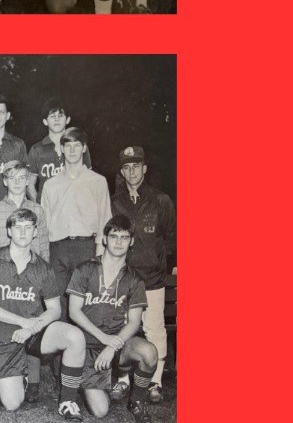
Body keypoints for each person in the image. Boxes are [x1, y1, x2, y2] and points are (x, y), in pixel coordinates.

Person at [0, 208, 87, 421]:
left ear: (35, 232)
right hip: (3, 335)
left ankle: (68, 400)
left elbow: (55, 309)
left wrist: (33, 327)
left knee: (75, 337)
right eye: (17, 227)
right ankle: (22, 373)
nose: (22, 232)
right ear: (9, 231)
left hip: (34, 332)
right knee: (12, 404)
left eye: (28, 227)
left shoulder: (43, 267)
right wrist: (22, 323)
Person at [67, 216, 157, 422]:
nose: (118, 242)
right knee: (100, 411)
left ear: (132, 241)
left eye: (124, 237)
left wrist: (112, 345)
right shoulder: (85, 269)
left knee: (149, 352)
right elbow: (73, 311)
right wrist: (103, 339)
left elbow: (134, 321)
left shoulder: (134, 278)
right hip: (88, 344)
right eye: (114, 236)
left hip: (117, 344)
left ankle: (136, 401)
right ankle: (92, 380)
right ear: (105, 239)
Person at [110, 147, 176, 403]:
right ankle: (123, 380)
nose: (132, 171)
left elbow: (172, 237)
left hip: (153, 279)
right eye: (127, 167)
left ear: (145, 168)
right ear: (122, 171)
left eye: (136, 165)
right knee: (125, 328)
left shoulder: (161, 200)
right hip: (124, 278)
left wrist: (160, 260)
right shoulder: (115, 200)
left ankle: (155, 382)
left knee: (155, 329)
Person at [40, 128, 112, 300]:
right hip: (57, 249)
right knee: (59, 302)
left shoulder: (98, 181)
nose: (72, 150)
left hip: (85, 248)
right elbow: (44, 224)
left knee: (85, 301)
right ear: (62, 149)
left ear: (84, 148)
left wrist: (100, 256)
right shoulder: (50, 185)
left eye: (77, 145)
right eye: (68, 145)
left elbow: (105, 221)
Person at [0, 161, 50, 262]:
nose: (17, 182)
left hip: (32, 270)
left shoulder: (38, 210)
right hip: (4, 270)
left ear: (27, 181)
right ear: (5, 181)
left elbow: (44, 249)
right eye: (12, 178)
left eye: (21, 178)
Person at [26, 97, 92, 199]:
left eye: (60, 116)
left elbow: (88, 181)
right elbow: (30, 185)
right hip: (46, 210)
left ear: (68, 120)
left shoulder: (80, 147)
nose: (57, 119)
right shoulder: (36, 149)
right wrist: (38, 209)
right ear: (45, 121)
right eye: (52, 116)